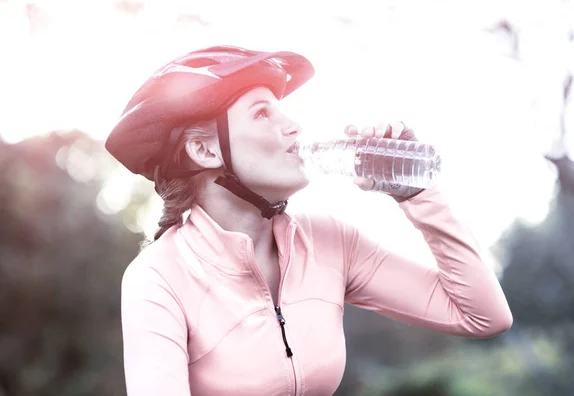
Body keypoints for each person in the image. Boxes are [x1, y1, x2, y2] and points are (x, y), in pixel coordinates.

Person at [105, 45, 513, 396]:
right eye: (262, 114)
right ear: (204, 151)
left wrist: (416, 193)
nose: (294, 126)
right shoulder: (158, 277)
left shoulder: (330, 241)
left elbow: (482, 316)